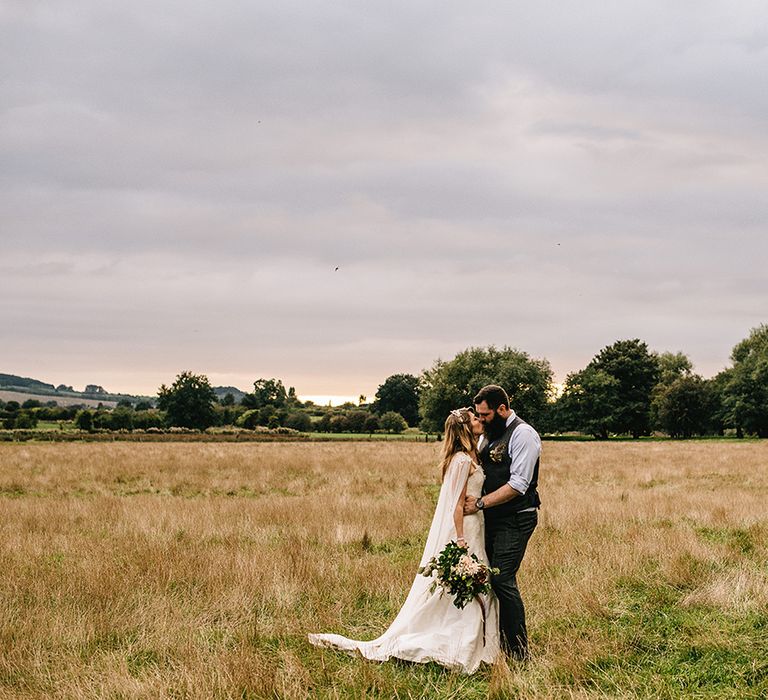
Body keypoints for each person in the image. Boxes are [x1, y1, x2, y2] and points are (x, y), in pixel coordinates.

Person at [308, 408, 500, 674]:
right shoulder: (461, 461)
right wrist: (459, 539)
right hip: (465, 529)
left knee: (478, 583)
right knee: (469, 583)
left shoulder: (471, 455)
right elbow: (455, 505)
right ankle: (460, 639)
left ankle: (480, 640)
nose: (480, 421)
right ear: (465, 429)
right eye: (475, 419)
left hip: (476, 525)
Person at [464, 384, 540, 661]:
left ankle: (519, 652)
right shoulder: (488, 435)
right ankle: (494, 644)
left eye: (485, 414)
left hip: (517, 518)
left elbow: (519, 484)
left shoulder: (524, 434)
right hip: (491, 520)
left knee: (502, 578)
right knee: (488, 578)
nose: (481, 419)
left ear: (502, 409)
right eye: (478, 415)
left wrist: (481, 503)